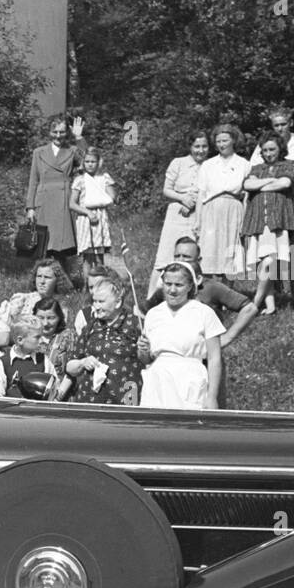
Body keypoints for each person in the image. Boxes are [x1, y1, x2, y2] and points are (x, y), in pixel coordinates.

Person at [249, 108, 294, 296]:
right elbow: (252, 170)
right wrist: (268, 184)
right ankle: (276, 289)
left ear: (291, 123)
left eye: (283, 124)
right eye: (276, 125)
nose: (280, 128)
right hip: (270, 197)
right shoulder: (264, 145)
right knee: (272, 239)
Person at [138, 261, 225, 410]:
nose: (172, 290)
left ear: (190, 286)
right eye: (168, 284)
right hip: (157, 383)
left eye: (179, 285)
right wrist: (143, 351)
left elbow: (214, 359)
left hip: (189, 381)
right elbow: (146, 359)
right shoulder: (153, 314)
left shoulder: (204, 313)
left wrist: (212, 397)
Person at [26, 115, 86, 289]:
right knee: (44, 247)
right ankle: (38, 284)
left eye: (62, 132)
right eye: (55, 132)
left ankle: (64, 285)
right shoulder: (39, 152)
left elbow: (90, 160)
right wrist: (30, 207)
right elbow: (33, 180)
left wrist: (79, 138)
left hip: (63, 200)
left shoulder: (72, 150)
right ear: (49, 132)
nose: (58, 136)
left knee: (63, 248)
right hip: (44, 201)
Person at [241, 131, 294, 314]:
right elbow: (247, 185)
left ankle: (256, 303)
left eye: (272, 149)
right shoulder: (257, 168)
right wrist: (271, 181)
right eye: (265, 150)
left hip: (277, 220)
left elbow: (285, 183)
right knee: (265, 262)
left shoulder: (289, 164)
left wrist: (262, 185)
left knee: (269, 261)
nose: (268, 153)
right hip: (258, 219)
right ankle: (271, 306)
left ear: (280, 148)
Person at [150, 131, 210, 297]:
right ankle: (150, 299)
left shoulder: (211, 165)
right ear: (190, 147)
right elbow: (166, 190)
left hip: (199, 214)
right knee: (165, 256)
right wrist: (183, 199)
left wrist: (194, 202)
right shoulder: (178, 163)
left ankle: (191, 297)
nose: (200, 150)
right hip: (176, 213)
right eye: (196, 146)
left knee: (193, 257)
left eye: (204, 146)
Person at [65, 276, 141, 405]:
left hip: (126, 397)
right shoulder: (90, 326)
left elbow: (149, 358)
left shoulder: (135, 324)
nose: (96, 306)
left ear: (117, 302)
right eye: (94, 301)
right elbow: (69, 366)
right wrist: (83, 362)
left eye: (101, 302)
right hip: (91, 398)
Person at [195, 123, 249, 284]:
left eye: (225, 140)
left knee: (230, 252)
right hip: (211, 209)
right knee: (210, 251)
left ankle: (228, 296)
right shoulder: (208, 165)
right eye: (218, 141)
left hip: (233, 209)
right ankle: (210, 295)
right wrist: (198, 220)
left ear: (233, 140)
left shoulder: (244, 164)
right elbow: (201, 195)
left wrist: (244, 222)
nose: (221, 144)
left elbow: (246, 196)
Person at [0, 259, 58, 348]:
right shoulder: (22, 301)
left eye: (47, 277)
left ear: (57, 280)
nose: (42, 281)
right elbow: (4, 336)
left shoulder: (60, 307)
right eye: (39, 276)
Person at [69, 146, 115, 272]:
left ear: (99, 162)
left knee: (100, 255)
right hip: (85, 219)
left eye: (93, 162)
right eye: (87, 162)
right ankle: (87, 287)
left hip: (100, 218)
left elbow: (111, 198)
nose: (90, 165)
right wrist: (88, 212)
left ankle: (101, 283)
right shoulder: (80, 180)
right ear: (83, 163)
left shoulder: (104, 178)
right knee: (88, 256)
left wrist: (99, 200)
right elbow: (72, 204)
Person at [1, 317, 51, 399]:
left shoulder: (43, 361)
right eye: (37, 337)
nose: (41, 341)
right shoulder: (3, 363)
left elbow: (54, 389)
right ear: (20, 340)